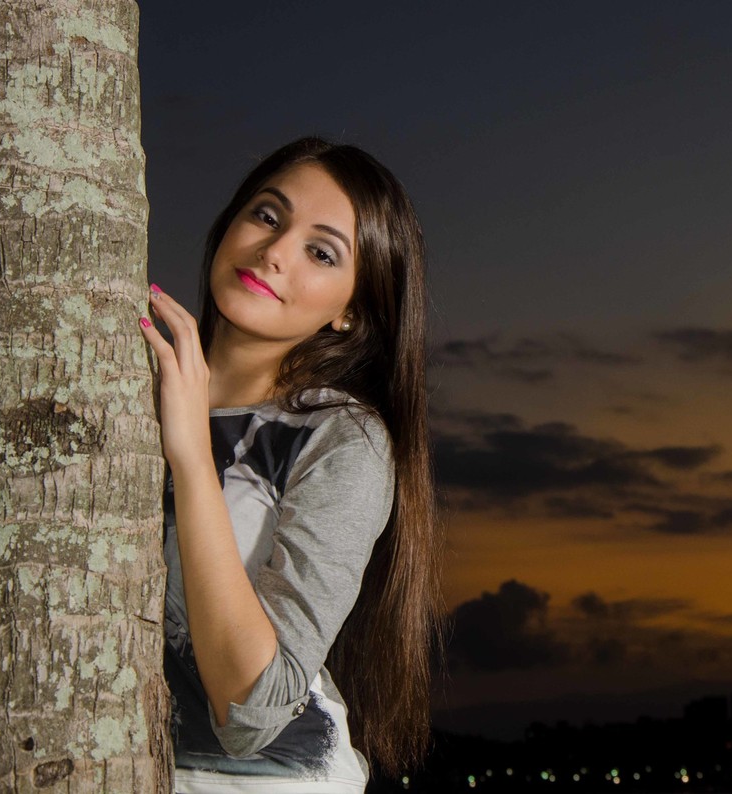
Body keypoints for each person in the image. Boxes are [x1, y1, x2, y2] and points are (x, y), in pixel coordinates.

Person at [139, 137, 441, 793]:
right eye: (267, 215)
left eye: (321, 252)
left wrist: (192, 455)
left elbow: (252, 710)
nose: (275, 252)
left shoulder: (342, 439)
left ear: (351, 310)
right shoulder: (122, 387)